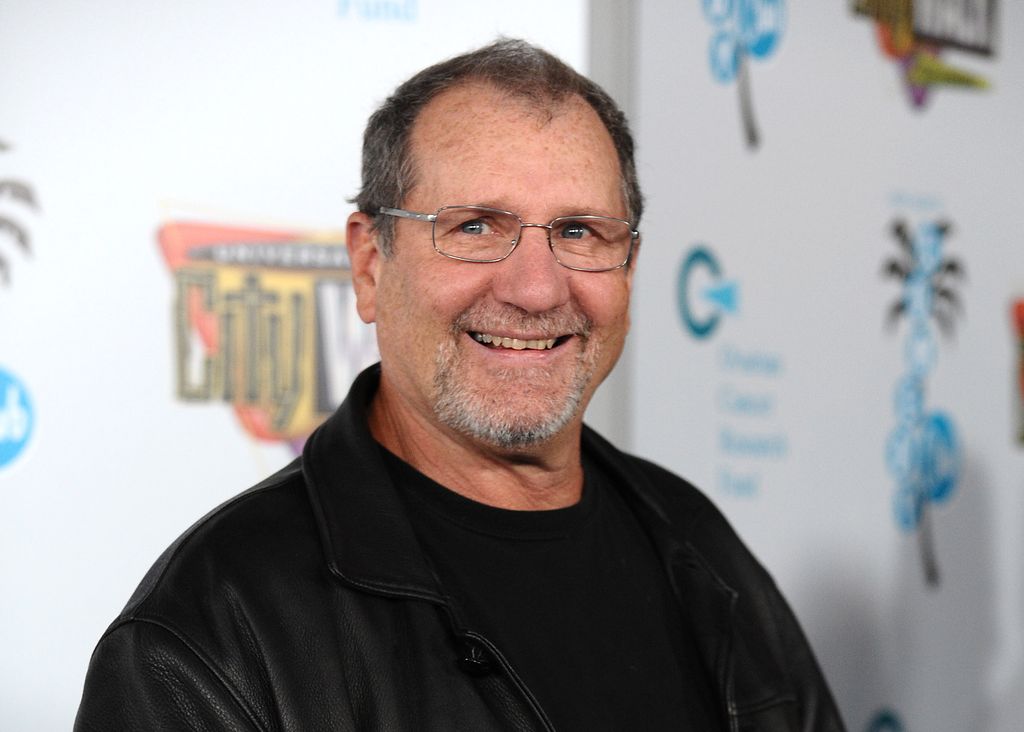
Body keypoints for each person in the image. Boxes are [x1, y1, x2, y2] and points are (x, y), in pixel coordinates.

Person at [75, 39, 845, 731]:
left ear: (630, 268)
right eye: (476, 227)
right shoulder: (209, 635)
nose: (539, 289)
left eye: (580, 232)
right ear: (371, 262)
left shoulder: (699, 551)